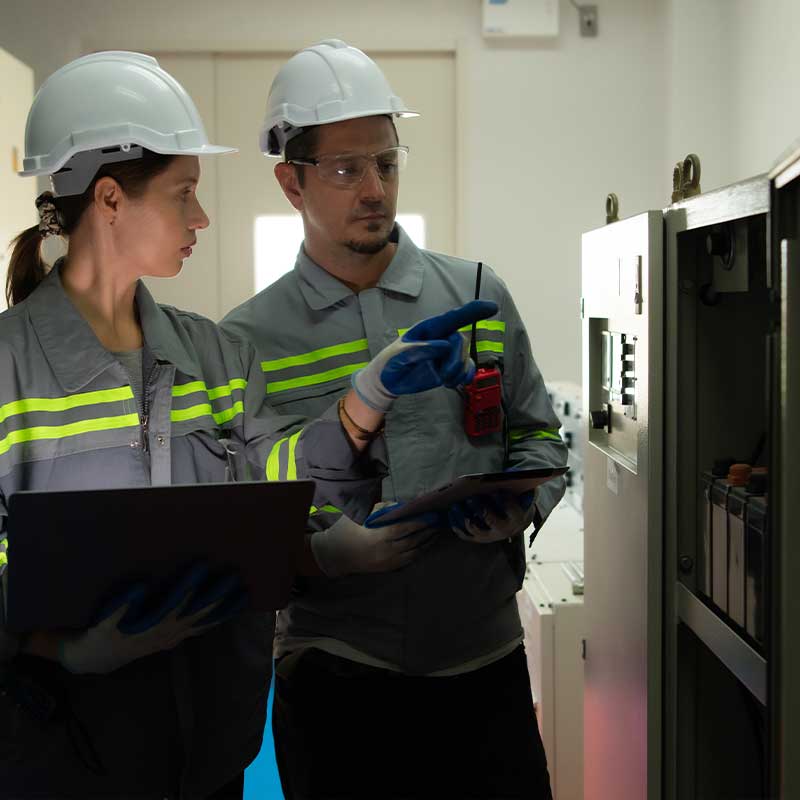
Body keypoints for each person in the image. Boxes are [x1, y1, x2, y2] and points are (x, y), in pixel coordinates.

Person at [0, 50, 495, 799]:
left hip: (211, 754)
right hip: (65, 757)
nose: (201, 217)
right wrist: (57, 649)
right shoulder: (10, 370)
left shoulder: (216, 356)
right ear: (109, 200)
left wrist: (364, 400)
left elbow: (279, 475)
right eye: (184, 194)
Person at [221, 39, 569, 800]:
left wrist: (522, 505)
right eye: (346, 169)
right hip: (340, 674)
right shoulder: (245, 341)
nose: (374, 187)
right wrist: (322, 555)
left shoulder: (476, 295)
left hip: (485, 662)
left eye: (386, 162)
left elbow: (540, 433)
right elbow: (245, 514)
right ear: (291, 182)